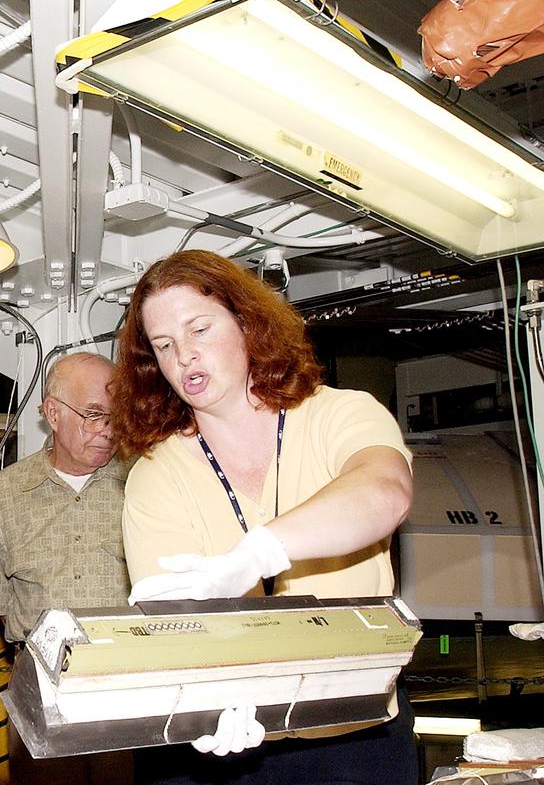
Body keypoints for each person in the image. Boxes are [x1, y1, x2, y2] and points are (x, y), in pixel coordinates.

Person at [111, 249, 416, 785]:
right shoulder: (158, 472)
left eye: (199, 329)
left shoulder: (338, 414)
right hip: (224, 738)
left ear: (248, 324)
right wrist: (203, 701)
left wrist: (258, 552)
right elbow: (172, 621)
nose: (184, 355)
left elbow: (384, 491)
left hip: (356, 732)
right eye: (164, 346)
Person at [0, 351, 133, 784]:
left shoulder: (143, 483)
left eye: (117, 416)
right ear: (52, 413)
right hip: (40, 686)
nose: (109, 430)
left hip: (127, 681)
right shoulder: (8, 493)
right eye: (95, 415)